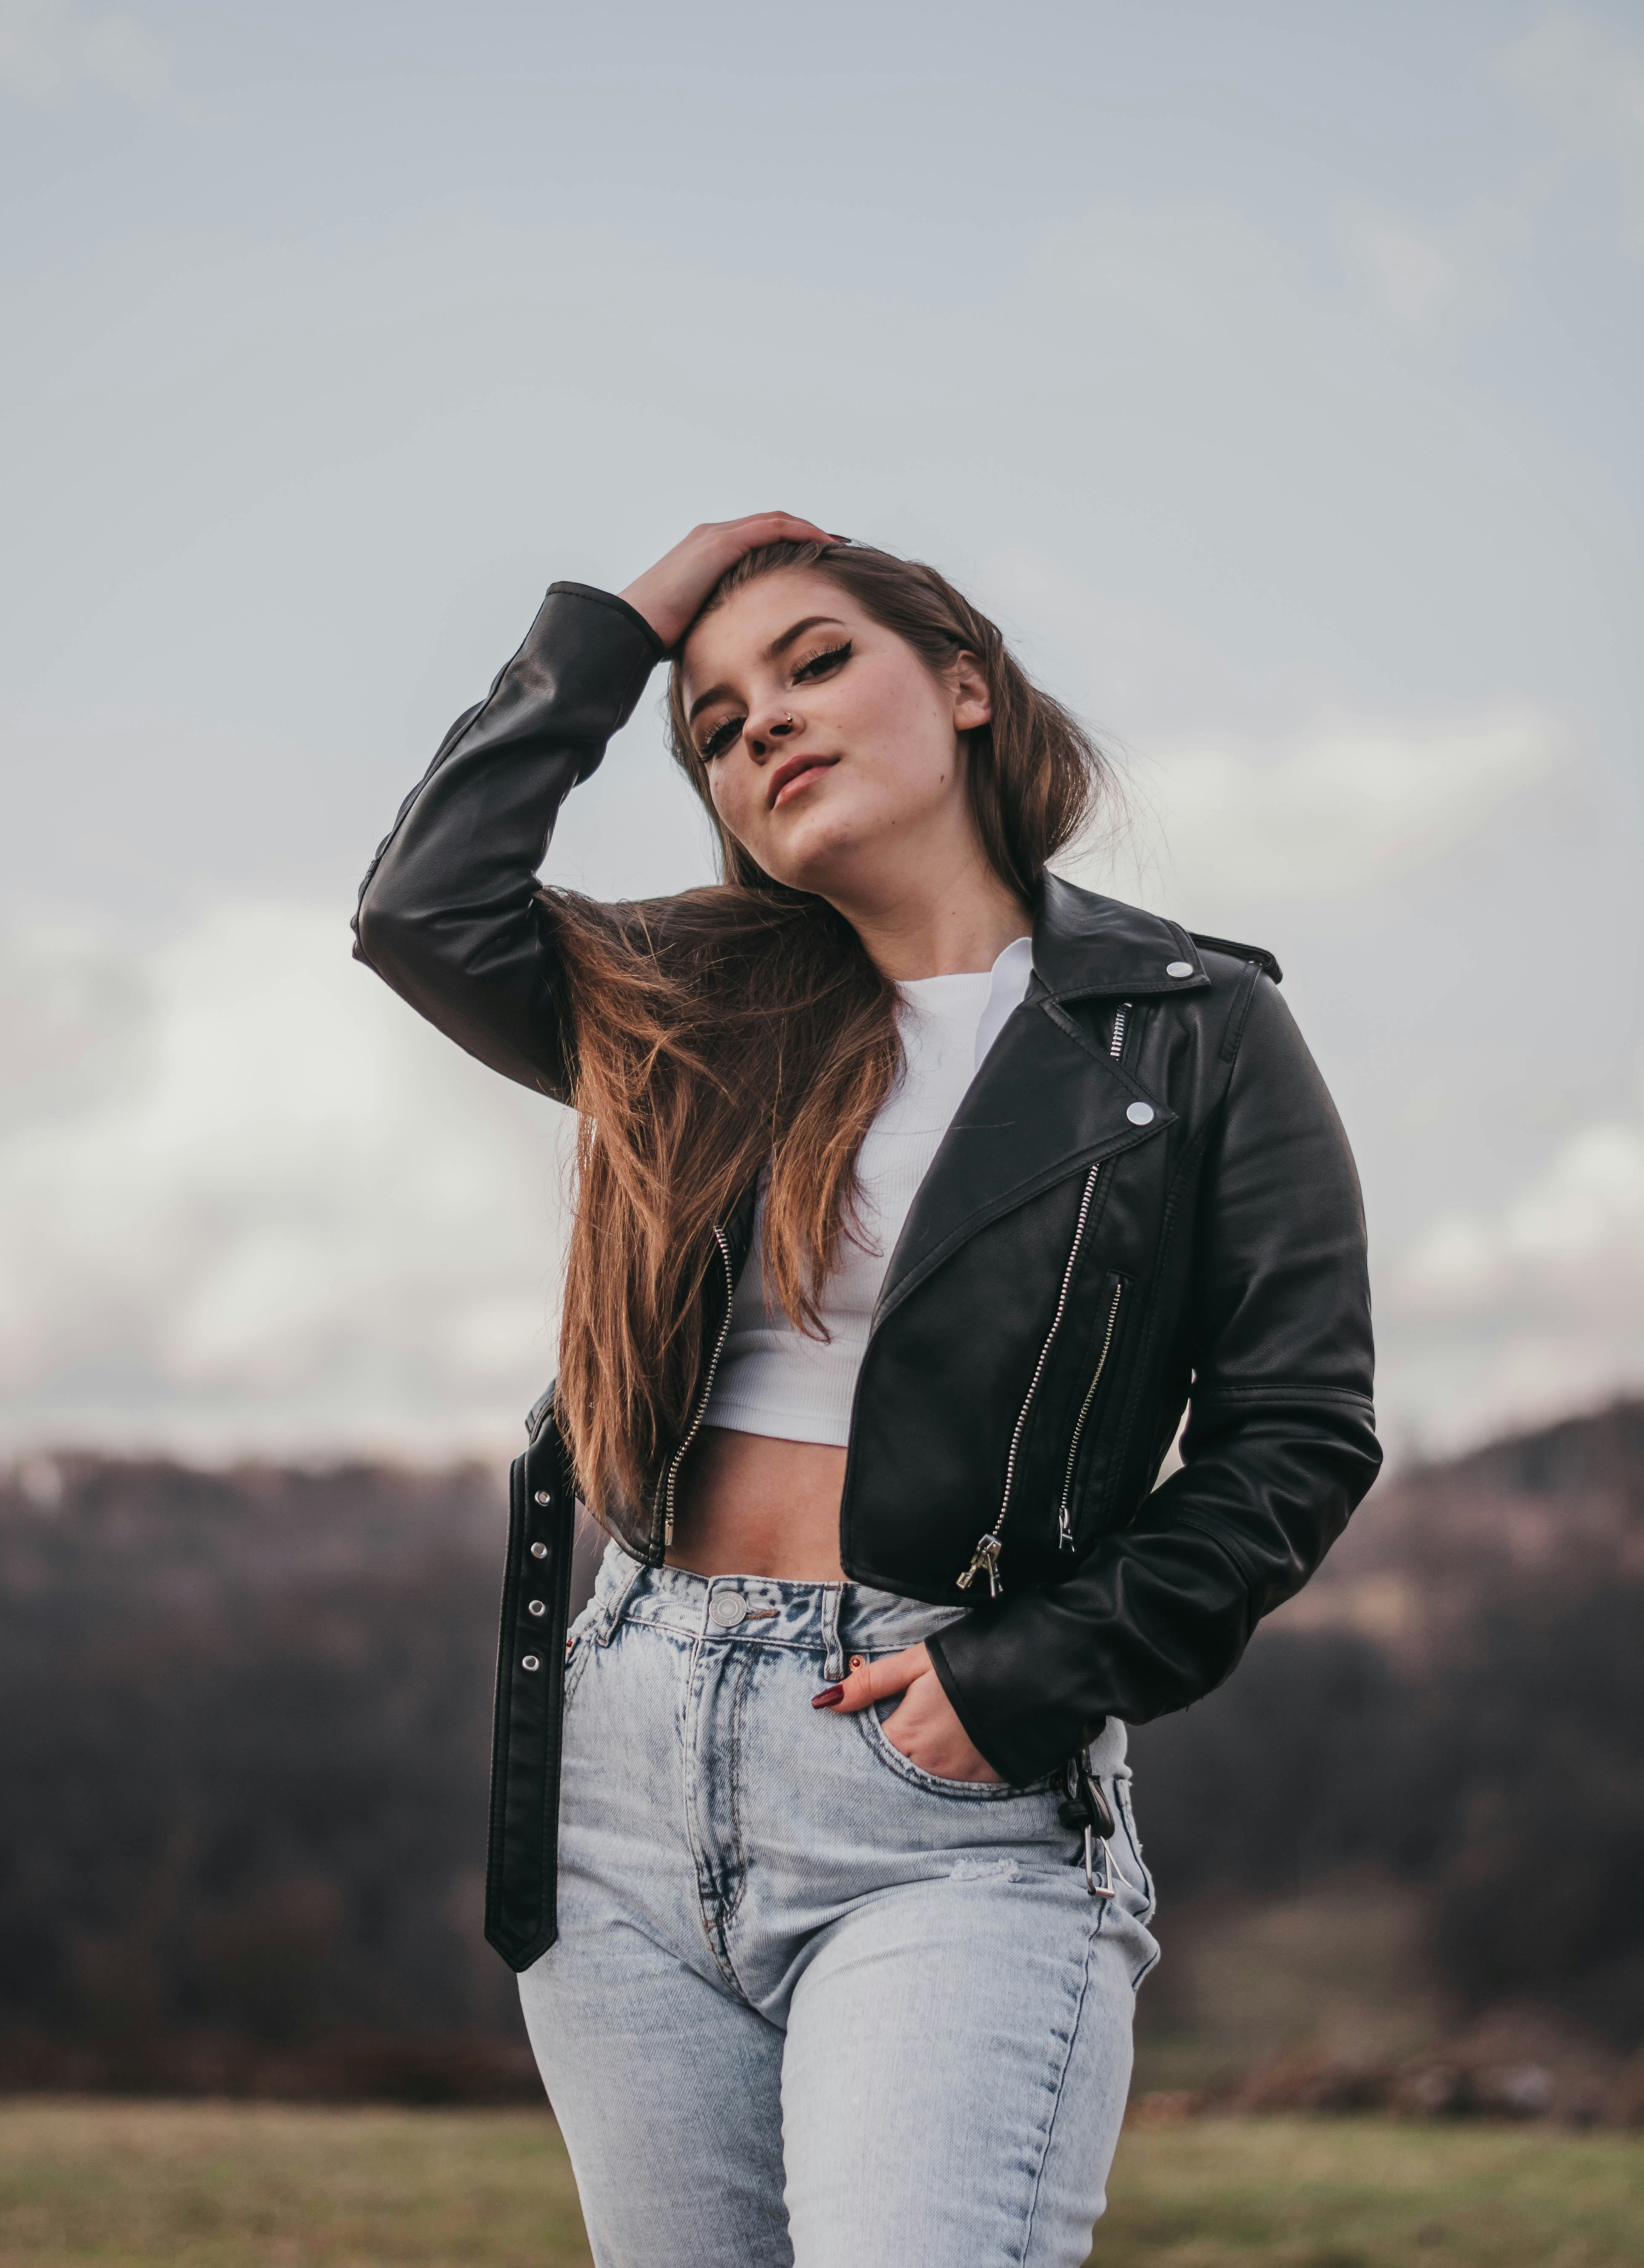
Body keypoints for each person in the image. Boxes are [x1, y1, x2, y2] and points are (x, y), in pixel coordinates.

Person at [353, 513, 1377, 2267]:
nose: (763, 723)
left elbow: (1296, 1433)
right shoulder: (689, 1009)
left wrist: (1030, 1676)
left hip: (943, 1784)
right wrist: (628, 622)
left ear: (966, 687)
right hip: (625, 1774)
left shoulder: (1189, 1029)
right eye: (718, 721)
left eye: (817, 662)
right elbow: (421, 907)